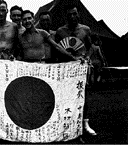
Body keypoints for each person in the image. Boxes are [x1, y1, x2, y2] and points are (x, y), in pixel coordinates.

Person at [55, 4, 97, 137]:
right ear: (65, 16)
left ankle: (85, 124)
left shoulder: (86, 29)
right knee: (66, 96)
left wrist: (87, 58)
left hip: (81, 67)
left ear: (79, 14)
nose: (72, 17)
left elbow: (91, 47)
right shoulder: (60, 31)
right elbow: (58, 49)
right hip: (67, 68)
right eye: (69, 14)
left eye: (74, 14)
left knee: (82, 94)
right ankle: (67, 123)